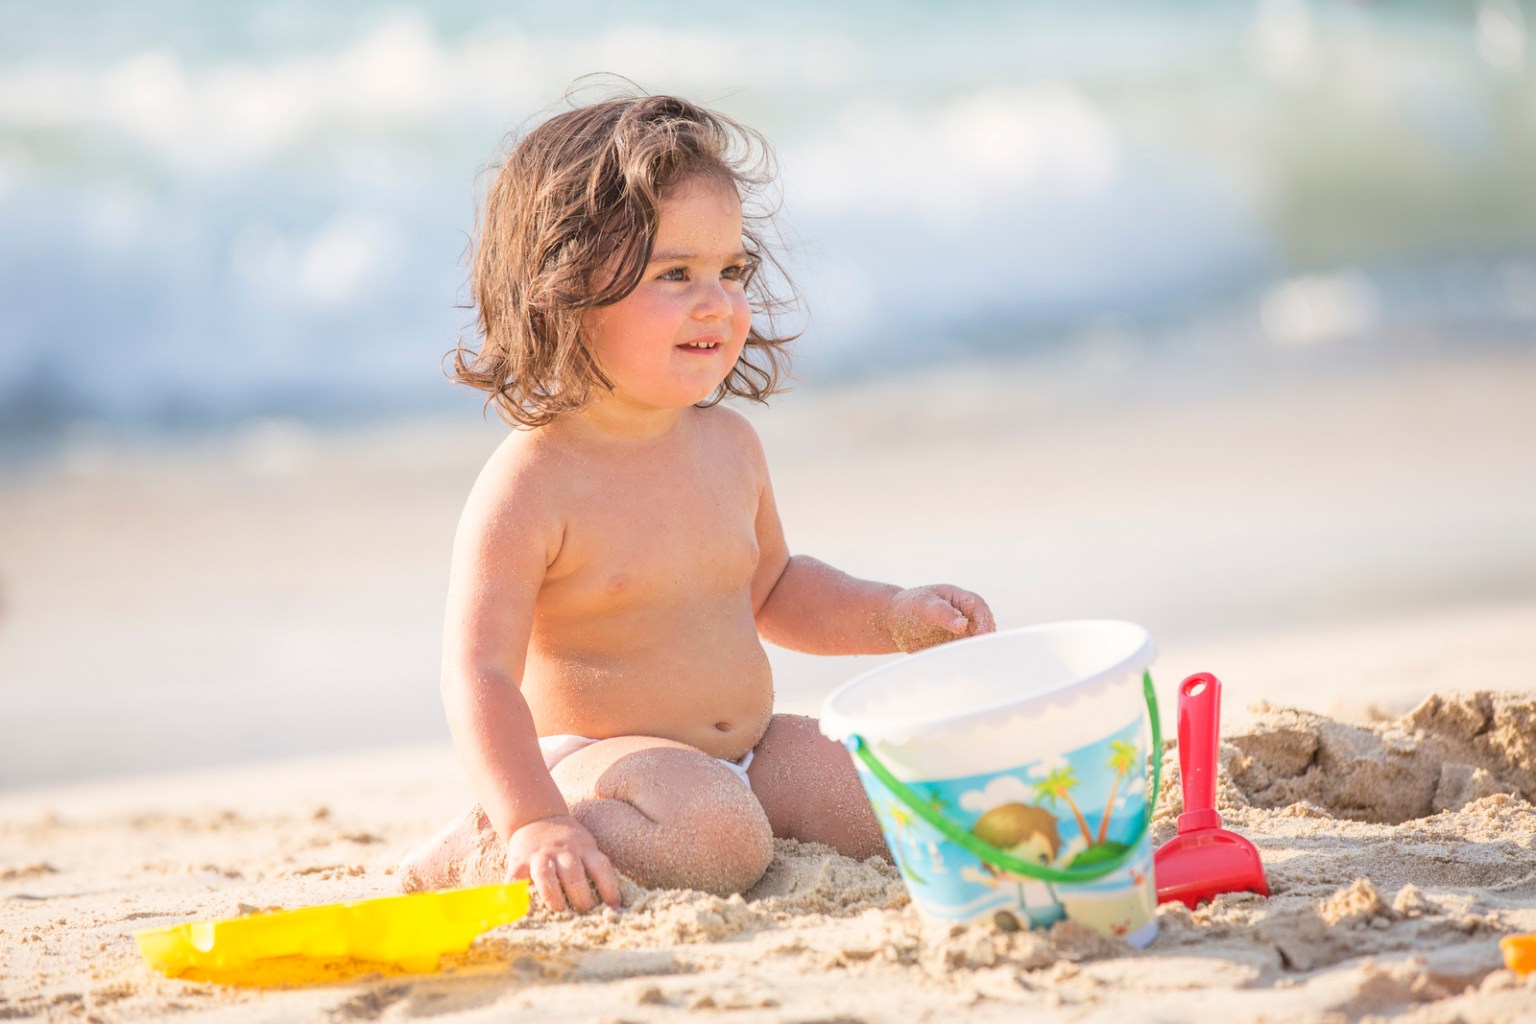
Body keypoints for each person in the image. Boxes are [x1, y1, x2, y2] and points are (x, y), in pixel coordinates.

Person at [398, 92, 996, 913]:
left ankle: (726, 812)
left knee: (894, 802)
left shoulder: (729, 446)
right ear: (562, 289)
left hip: (747, 753)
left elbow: (774, 589)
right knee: (720, 839)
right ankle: (485, 844)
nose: (717, 301)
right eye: (675, 274)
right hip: (601, 767)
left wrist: (891, 615)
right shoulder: (533, 482)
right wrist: (533, 817)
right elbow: (479, 673)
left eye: (731, 271)